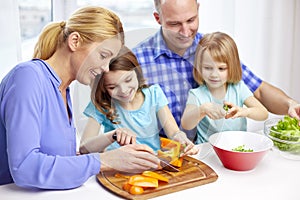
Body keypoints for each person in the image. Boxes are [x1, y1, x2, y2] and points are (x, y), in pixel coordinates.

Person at [0, 6, 160, 189]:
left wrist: (114, 151)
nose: (106, 69)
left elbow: (59, 161)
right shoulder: (27, 77)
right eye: (103, 55)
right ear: (75, 41)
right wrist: (103, 160)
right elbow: (25, 167)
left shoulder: (63, 91)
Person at [132, 0, 300, 140]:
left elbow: (259, 91)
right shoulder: (137, 61)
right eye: (174, 24)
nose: (185, 32)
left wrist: (290, 105)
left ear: (198, 9)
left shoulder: (210, 49)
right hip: (166, 154)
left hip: (218, 150)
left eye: (191, 20)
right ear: (158, 18)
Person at [80, 46, 198, 156]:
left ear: (137, 72)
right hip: (119, 166)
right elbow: (84, 148)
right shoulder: (101, 104)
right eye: (112, 87)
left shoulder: (154, 94)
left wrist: (180, 137)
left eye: (128, 80)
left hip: (152, 162)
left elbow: (173, 132)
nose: (124, 91)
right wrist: (113, 135)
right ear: (103, 88)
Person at [181, 32, 269, 144]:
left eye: (221, 69)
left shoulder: (238, 88)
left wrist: (244, 111)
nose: (214, 74)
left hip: (236, 148)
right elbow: (186, 124)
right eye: (208, 68)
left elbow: (263, 113)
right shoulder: (196, 94)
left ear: (231, 67)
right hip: (208, 151)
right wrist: (202, 110)